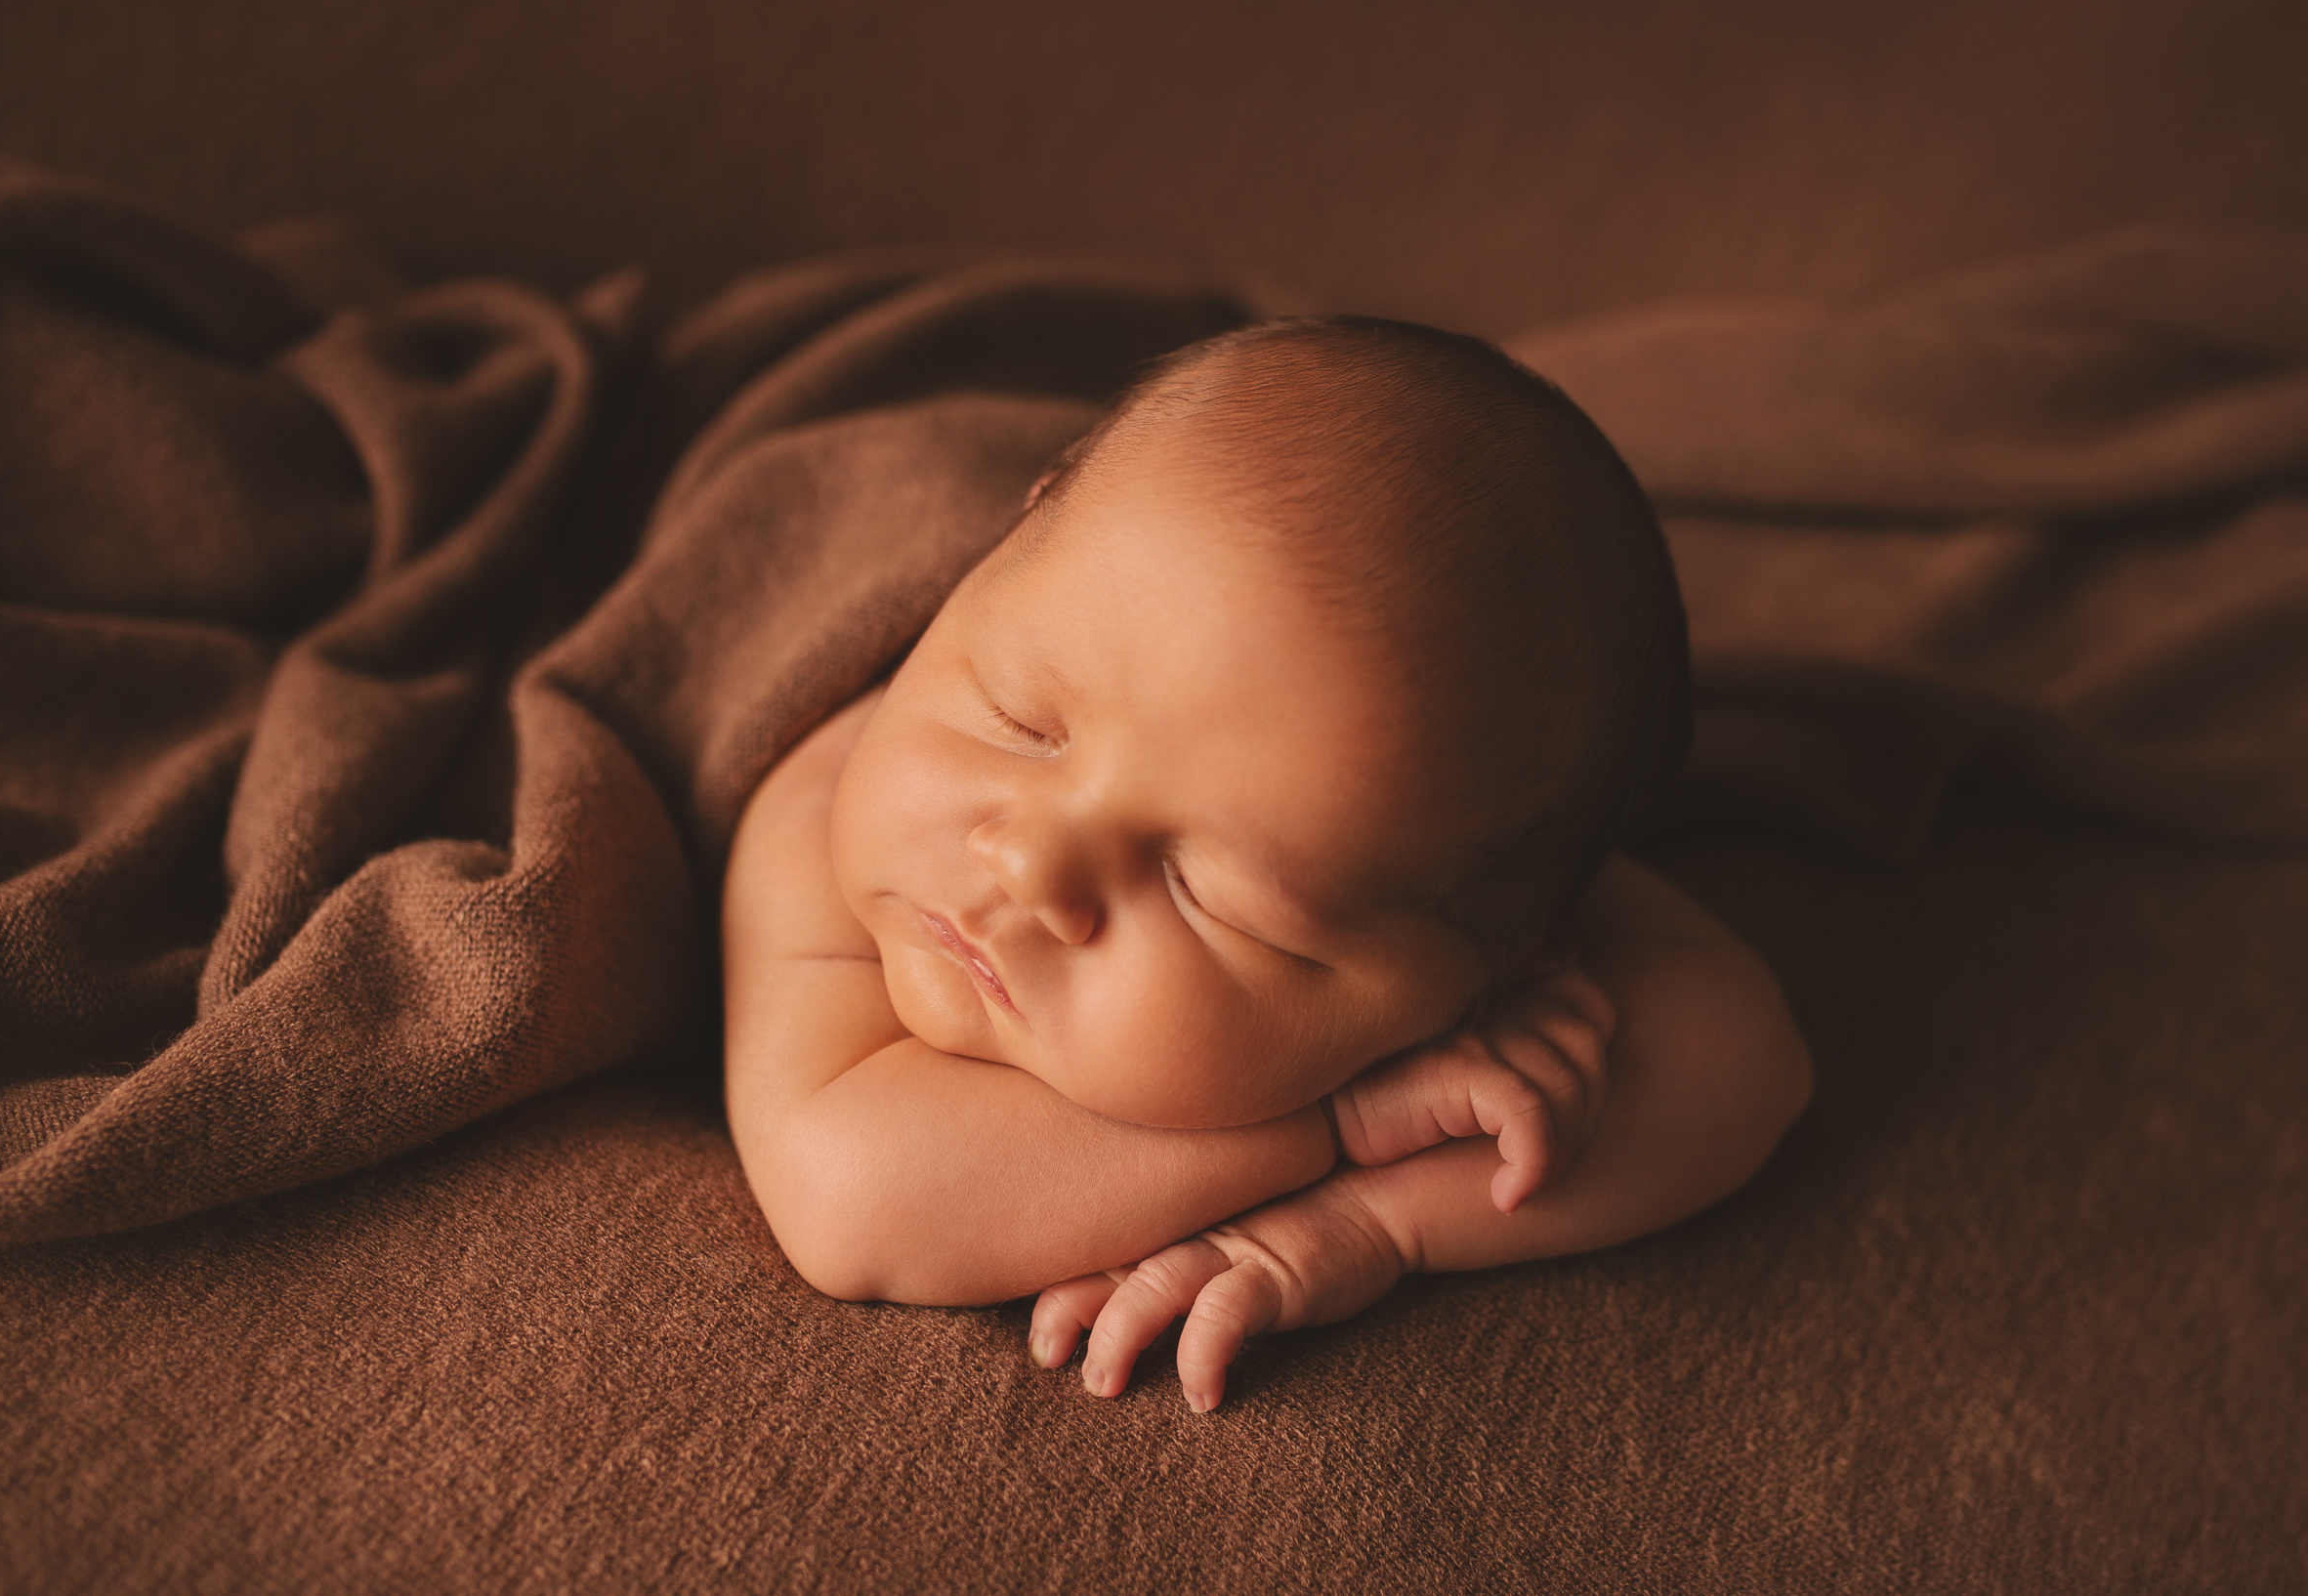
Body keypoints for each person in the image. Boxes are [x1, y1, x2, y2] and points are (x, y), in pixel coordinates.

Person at [721, 315, 1813, 1412]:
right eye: (1022, 722)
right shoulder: (833, 785)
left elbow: (1750, 1066)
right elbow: (847, 1191)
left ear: (1487, 979)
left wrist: (1374, 1222)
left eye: (1210, 899)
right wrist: (1346, 1124)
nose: (1029, 860)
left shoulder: (1398, 817)